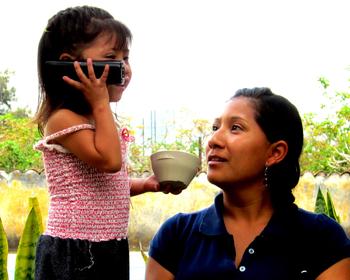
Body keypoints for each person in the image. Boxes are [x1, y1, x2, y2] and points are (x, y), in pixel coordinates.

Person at [33, 6, 179, 280]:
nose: (124, 68)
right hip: (75, 250)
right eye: (111, 58)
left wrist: (143, 185)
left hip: (109, 246)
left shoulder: (98, 120)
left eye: (126, 58)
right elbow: (109, 162)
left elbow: (102, 185)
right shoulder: (62, 119)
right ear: (69, 64)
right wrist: (101, 103)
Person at [146, 87, 350, 280]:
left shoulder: (322, 238)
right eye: (215, 128)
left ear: (275, 153)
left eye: (235, 128)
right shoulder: (176, 235)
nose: (213, 140)